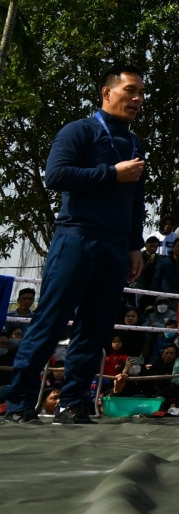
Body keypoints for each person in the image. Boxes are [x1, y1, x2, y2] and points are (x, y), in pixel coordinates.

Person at [4, 64, 146, 425]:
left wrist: (134, 245)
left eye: (141, 94)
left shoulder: (134, 143)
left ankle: (74, 402)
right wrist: (111, 173)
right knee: (50, 320)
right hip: (77, 237)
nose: (136, 99)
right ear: (107, 92)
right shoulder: (79, 131)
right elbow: (56, 175)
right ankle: (19, 402)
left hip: (114, 246)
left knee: (96, 327)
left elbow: (135, 200)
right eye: (130, 90)